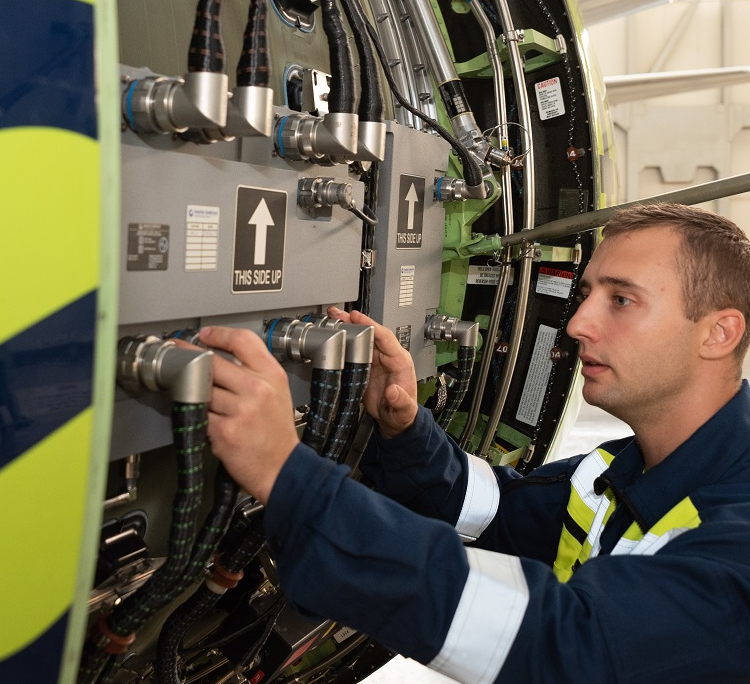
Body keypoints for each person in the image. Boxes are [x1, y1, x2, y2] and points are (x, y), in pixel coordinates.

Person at [198, 203, 750, 683]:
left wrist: (289, 476)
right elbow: (495, 511)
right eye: (585, 295)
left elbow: (574, 647)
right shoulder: (617, 471)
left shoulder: (736, 535)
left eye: (621, 300)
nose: (578, 323)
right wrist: (404, 425)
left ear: (718, 333)